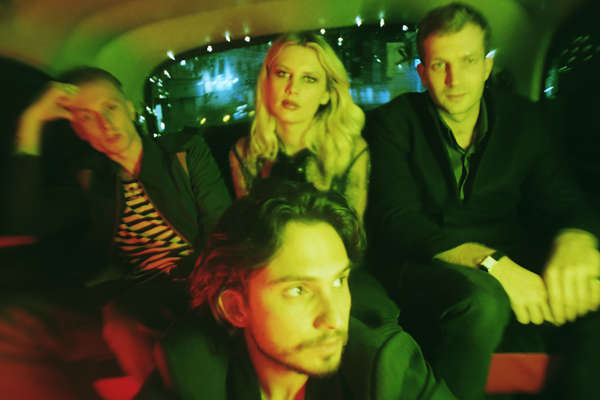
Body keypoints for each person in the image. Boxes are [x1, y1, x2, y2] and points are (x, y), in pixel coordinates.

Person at [365, 3, 600, 400]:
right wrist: (491, 263)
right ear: (422, 73)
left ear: (487, 66)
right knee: (483, 301)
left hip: (512, 259)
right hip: (423, 264)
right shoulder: (393, 123)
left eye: (468, 61)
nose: (454, 78)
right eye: (439, 65)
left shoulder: (524, 120)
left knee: (590, 291)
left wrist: (576, 239)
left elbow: (562, 196)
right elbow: (397, 219)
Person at [1, 66, 231, 396]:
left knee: (154, 330)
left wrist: (200, 289)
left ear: (130, 108)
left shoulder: (182, 151)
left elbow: (220, 230)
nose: (105, 123)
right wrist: (31, 120)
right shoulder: (90, 178)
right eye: (88, 117)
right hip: (133, 292)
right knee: (104, 323)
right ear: (80, 132)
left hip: (197, 277)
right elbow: (22, 219)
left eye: (110, 107)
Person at [137, 179, 456, 400]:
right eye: (298, 290)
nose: (334, 319)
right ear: (236, 308)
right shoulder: (193, 370)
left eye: (338, 281)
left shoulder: (383, 366)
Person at [229, 32, 368, 219]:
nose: (293, 88)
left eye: (309, 78)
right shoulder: (245, 152)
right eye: (283, 74)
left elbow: (352, 231)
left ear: (326, 94)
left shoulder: (350, 151)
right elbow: (245, 229)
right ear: (267, 81)